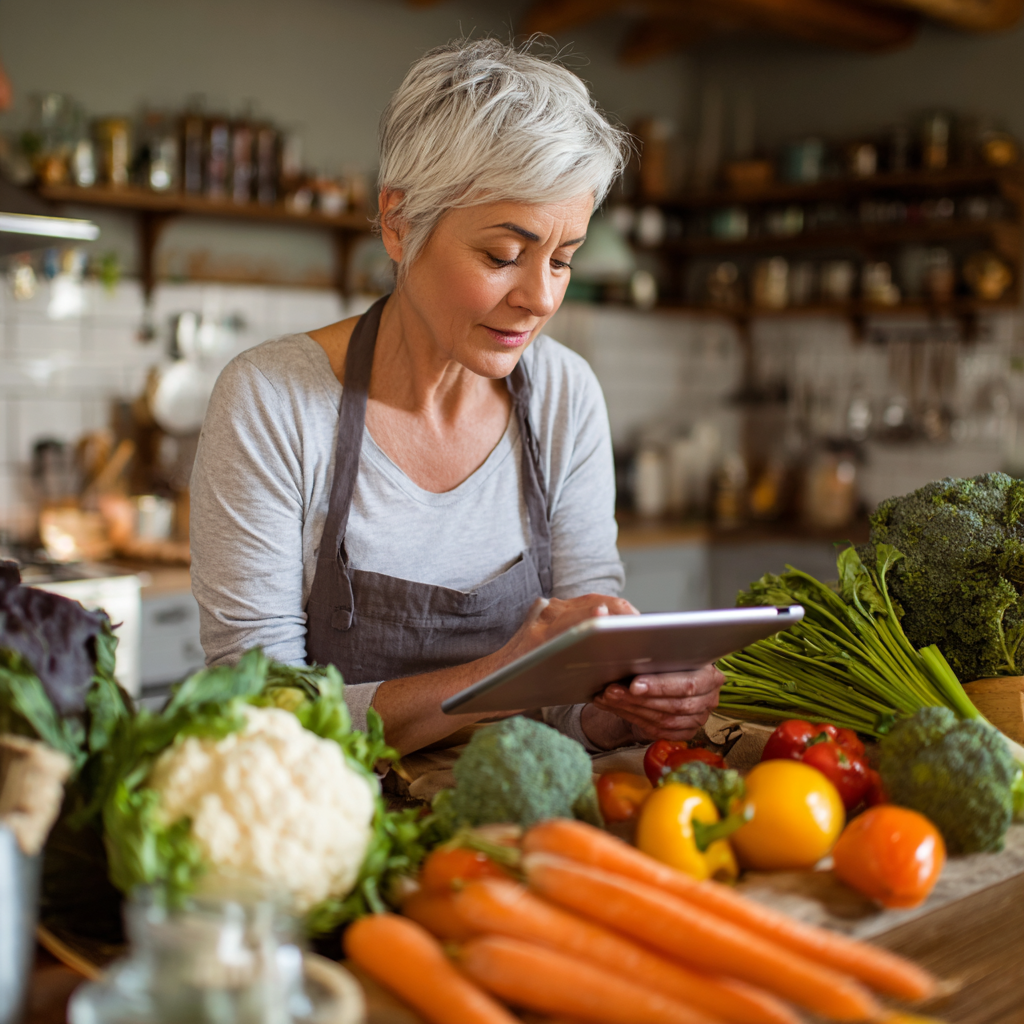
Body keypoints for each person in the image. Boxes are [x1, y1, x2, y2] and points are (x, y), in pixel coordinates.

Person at [190, 38, 724, 757]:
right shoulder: (273, 401)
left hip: (523, 812)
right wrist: (503, 675)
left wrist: (628, 706)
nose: (541, 298)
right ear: (399, 223)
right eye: (503, 256)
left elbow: (576, 698)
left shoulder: (564, 397)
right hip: (338, 815)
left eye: (563, 260)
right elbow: (257, 703)